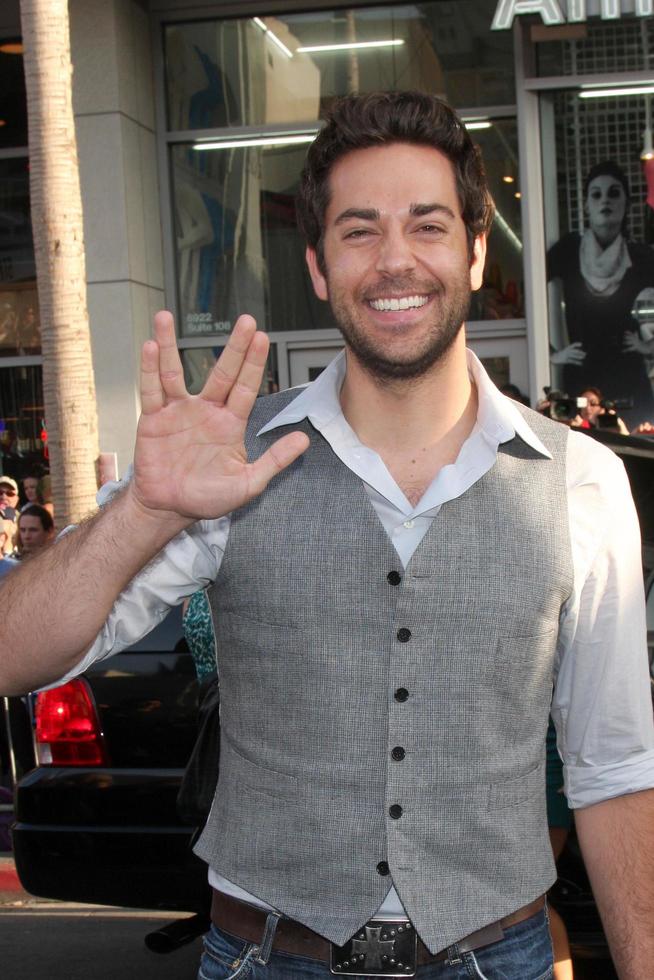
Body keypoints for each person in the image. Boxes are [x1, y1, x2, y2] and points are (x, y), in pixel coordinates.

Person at [0, 92, 652, 980]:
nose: (394, 261)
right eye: (358, 231)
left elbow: (613, 769)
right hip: (264, 957)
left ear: (474, 253)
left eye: (427, 226)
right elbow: (13, 656)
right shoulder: (229, 460)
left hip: (498, 959)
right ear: (316, 265)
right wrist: (145, 512)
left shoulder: (582, 481)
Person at [548, 161, 654, 430]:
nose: (605, 201)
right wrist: (552, 354)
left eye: (614, 193)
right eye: (596, 194)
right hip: (582, 375)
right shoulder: (568, 251)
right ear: (586, 204)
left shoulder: (641, 258)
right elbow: (533, 296)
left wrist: (647, 346)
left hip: (628, 377)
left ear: (627, 203)